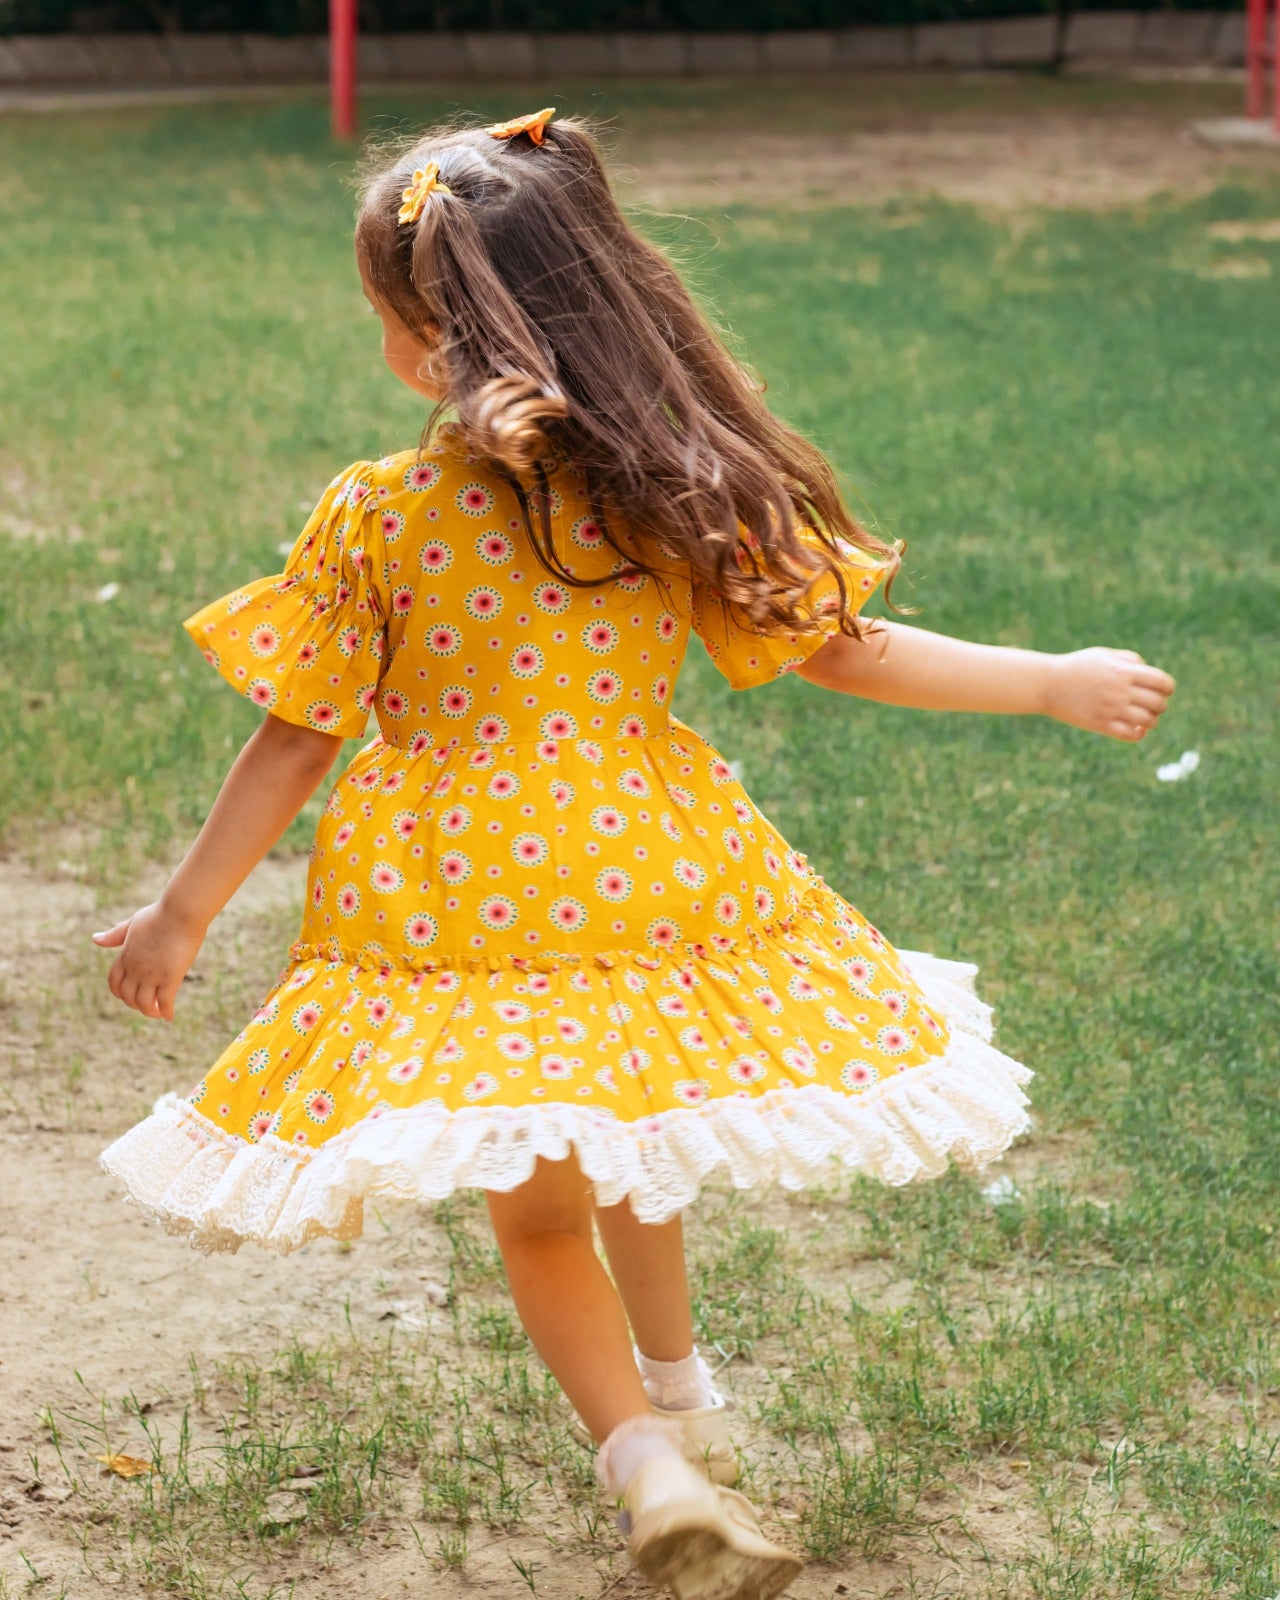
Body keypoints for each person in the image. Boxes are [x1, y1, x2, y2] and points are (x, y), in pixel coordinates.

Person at [94, 109, 1175, 1600]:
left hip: (454, 895)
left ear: (433, 339)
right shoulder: (665, 487)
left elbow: (297, 740)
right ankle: (681, 1393)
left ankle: (649, 1461)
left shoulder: (382, 513)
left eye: (383, 313)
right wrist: (1046, 679)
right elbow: (839, 648)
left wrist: (183, 912)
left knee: (544, 1210)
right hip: (651, 864)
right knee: (636, 1128)